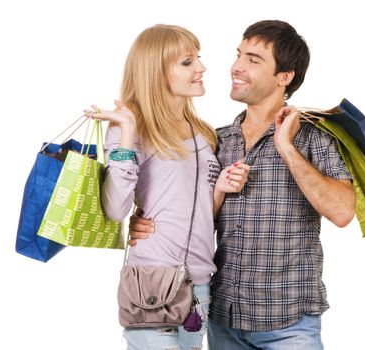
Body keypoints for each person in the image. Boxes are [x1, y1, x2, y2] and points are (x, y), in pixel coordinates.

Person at [129, 20, 356, 350]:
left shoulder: (312, 138)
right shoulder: (217, 140)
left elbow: (343, 212)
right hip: (224, 318)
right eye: (239, 55)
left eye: (254, 59)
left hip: (289, 322)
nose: (237, 67)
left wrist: (286, 148)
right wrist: (145, 221)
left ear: (285, 77)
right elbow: (191, 212)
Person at [84, 24, 249, 350]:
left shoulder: (204, 134)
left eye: (197, 59)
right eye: (187, 62)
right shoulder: (131, 129)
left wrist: (220, 191)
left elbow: (202, 211)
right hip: (153, 278)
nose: (201, 68)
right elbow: (115, 208)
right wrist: (128, 131)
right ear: (155, 71)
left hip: (200, 283)